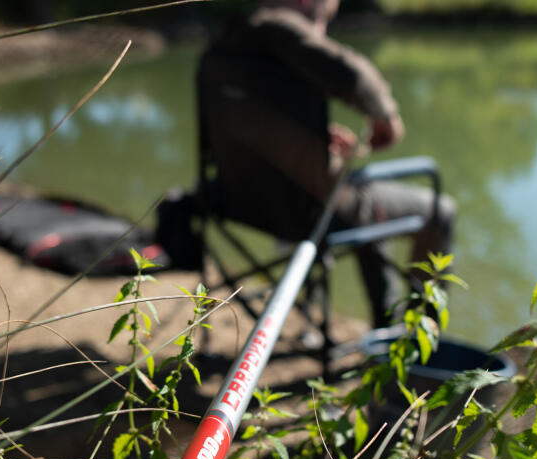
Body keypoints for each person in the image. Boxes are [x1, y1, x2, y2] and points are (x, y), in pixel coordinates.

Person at [193, 0, 456, 327]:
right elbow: (351, 72)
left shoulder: (225, 38)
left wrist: (310, 142)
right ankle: (418, 339)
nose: (321, 34)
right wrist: (386, 117)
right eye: (319, 24)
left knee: (370, 205)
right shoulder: (279, 26)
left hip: (235, 200)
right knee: (438, 211)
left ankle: (387, 324)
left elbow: (243, 126)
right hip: (305, 211)